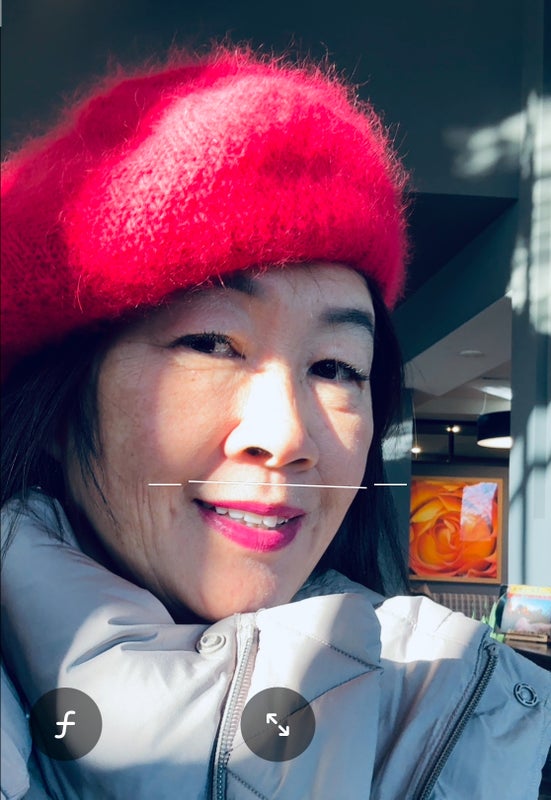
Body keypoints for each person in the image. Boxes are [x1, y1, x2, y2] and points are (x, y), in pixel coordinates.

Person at [1, 46, 549, 800]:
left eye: (335, 367)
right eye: (210, 343)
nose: (288, 436)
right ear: (59, 407)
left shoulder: (493, 733)